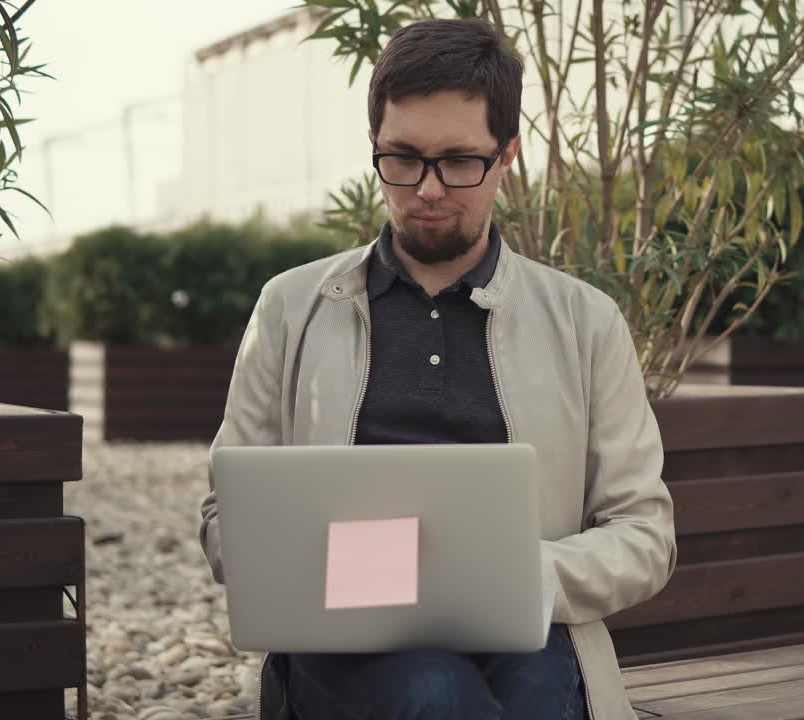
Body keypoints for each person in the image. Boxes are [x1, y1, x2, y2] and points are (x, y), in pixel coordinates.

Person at [197, 16, 676, 720]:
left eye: (458, 161)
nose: (426, 189)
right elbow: (222, 520)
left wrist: (516, 574)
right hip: (344, 639)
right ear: (373, 148)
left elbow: (644, 534)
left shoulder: (585, 322)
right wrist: (338, 569)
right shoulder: (289, 309)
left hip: (530, 629)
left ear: (507, 155)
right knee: (431, 691)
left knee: (530, 698)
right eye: (402, 158)